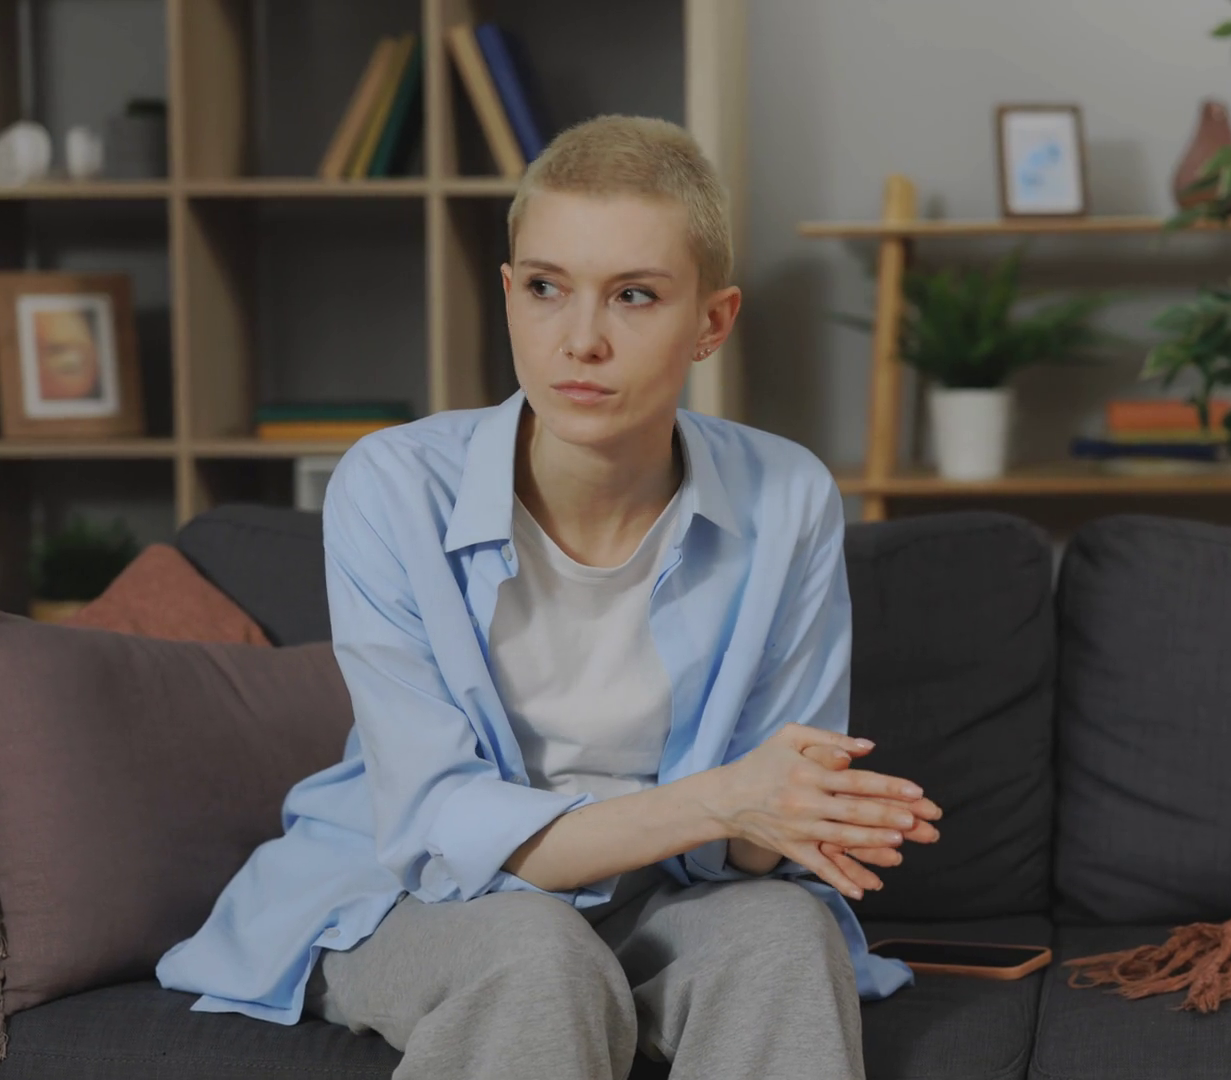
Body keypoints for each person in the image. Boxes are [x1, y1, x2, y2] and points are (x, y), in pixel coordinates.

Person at [156, 114, 943, 1080]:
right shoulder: (391, 486)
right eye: (545, 288)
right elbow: (444, 828)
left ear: (712, 322)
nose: (581, 340)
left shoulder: (788, 498)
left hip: (666, 895)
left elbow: (759, 835)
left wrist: (792, 814)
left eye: (634, 296)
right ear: (508, 294)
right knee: (537, 956)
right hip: (419, 898)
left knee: (785, 935)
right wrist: (727, 801)